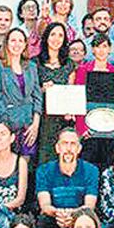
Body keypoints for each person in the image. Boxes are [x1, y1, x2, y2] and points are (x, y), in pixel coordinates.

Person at [35, 128, 99, 228]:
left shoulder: (91, 171)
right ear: (57, 148)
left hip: (81, 218)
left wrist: (72, 215)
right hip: (54, 218)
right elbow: (45, 205)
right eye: (65, 143)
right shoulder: (44, 171)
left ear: (79, 149)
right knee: (43, 222)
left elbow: (90, 206)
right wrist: (59, 214)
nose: (68, 148)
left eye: (73, 144)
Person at [0, 28, 42, 161]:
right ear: (6, 43)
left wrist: (35, 124)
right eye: (13, 40)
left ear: (25, 44)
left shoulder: (31, 66)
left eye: (21, 40)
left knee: (25, 163)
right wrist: (7, 127)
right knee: (8, 161)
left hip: (29, 123)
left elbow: (37, 96)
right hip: (8, 123)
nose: (17, 44)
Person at [36, 22, 74, 165]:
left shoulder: (69, 65)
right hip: (42, 118)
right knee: (42, 156)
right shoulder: (36, 63)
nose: (56, 38)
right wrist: (42, 89)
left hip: (62, 119)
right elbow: (31, 93)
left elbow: (71, 91)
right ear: (46, 37)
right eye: (53, 34)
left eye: (60, 35)